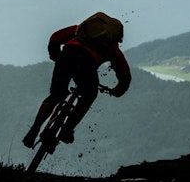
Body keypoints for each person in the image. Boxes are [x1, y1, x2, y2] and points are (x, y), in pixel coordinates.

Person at [23, 12, 132, 148]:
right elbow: (125, 76)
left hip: (67, 55)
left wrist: (56, 56)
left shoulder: (79, 30)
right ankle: (67, 130)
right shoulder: (112, 47)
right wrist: (117, 90)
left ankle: (34, 130)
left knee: (56, 95)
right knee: (89, 95)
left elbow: (55, 38)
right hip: (87, 64)